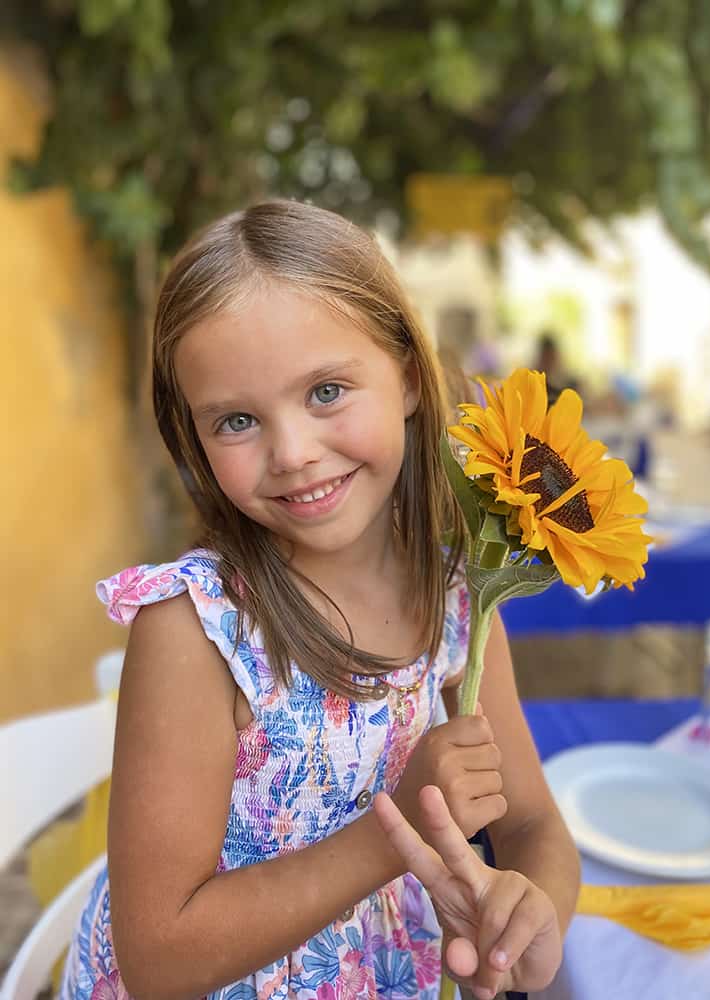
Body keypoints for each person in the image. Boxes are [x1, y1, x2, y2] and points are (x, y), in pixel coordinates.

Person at [60, 200, 580, 1000]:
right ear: (193, 438)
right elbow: (159, 959)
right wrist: (396, 825)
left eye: (328, 391)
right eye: (236, 420)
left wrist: (531, 916)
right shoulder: (196, 633)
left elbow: (534, 825)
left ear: (408, 374)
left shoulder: (457, 603)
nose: (294, 454)